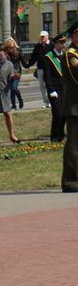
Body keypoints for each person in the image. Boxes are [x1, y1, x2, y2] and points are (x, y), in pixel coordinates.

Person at [0, 43, 20, 145]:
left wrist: (14, 77)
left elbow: (10, 77)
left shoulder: (9, 64)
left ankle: (12, 135)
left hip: (4, 93)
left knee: (7, 113)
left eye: (1, 51)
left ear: (5, 52)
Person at [60, 18, 78, 192]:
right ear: (73, 35)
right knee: (74, 146)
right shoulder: (70, 54)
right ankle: (71, 181)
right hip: (74, 107)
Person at [44, 33, 67, 143]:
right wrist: (50, 89)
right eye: (61, 42)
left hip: (65, 89)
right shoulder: (49, 57)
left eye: (64, 42)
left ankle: (61, 136)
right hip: (55, 89)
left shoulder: (65, 55)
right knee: (57, 113)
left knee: (64, 114)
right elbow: (47, 75)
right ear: (56, 43)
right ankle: (54, 137)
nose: (63, 45)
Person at [28, 30, 52, 108]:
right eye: (41, 37)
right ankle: (46, 102)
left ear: (47, 37)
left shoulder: (51, 45)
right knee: (42, 86)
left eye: (43, 37)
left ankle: (52, 101)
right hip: (40, 68)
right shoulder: (38, 46)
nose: (41, 38)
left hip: (50, 69)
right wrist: (28, 65)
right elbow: (33, 57)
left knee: (49, 85)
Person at [4, 38, 24, 110]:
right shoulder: (5, 51)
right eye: (8, 42)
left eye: (11, 42)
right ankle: (13, 105)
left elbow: (22, 59)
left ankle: (20, 100)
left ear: (13, 42)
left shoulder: (18, 50)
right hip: (9, 71)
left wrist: (26, 66)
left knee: (14, 88)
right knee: (11, 89)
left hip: (17, 71)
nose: (9, 43)